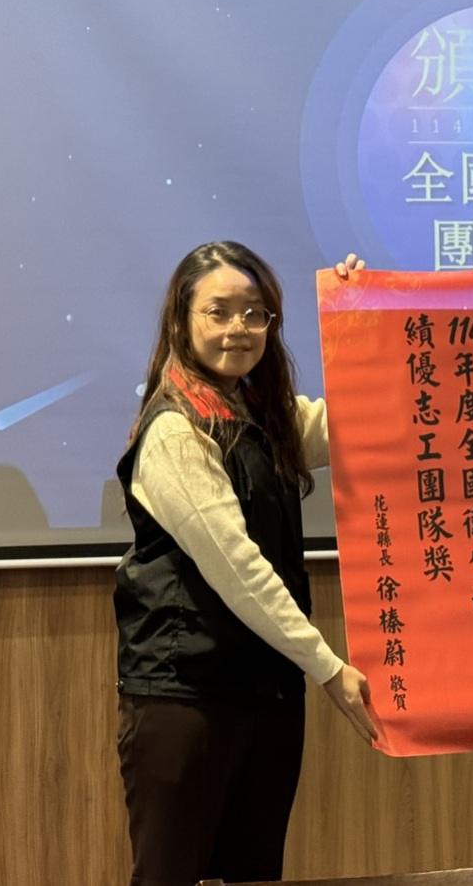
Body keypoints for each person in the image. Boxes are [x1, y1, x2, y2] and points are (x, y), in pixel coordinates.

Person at [113, 240, 377, 886]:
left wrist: (362, 312)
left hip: (267, 699)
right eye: (219, 311)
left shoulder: (264, 414)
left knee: (255, 877)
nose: (239, 327)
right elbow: (239, 570)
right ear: (182, 322)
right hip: (186, 704)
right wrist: (329, 668)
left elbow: (369, 418)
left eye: (255, 313)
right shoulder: (175, 430)